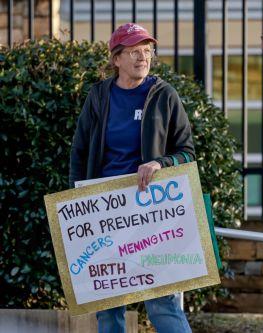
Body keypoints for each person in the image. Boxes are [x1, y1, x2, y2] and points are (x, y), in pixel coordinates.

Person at [69, 23, 194, 333]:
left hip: (152, 214)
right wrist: (77, 200)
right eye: (135, 52)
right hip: (106, 213)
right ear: (117, 58)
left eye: (148, 51)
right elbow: (80, 151)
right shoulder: (99, 96)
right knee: (109, 308)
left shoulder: (164, 94)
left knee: (161, 303)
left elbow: (187, 153)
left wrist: (160, 163)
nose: (143, 57)